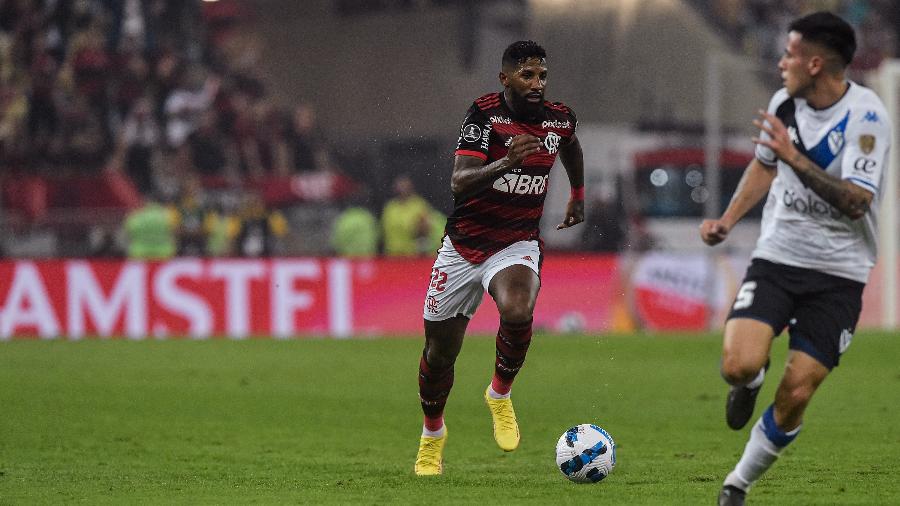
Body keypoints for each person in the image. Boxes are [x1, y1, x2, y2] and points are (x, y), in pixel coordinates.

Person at [699, 12, 892, 506]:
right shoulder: (785, 103)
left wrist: (796, 159)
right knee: (738, 366)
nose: (780, 62)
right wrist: (727, 218)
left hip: (839, 273)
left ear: (814, 62)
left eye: (788, 54)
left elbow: (856, 200)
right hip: (779, 257)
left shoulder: (867, 117)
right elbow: (764, 167)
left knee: (798, 393)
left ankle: (736, 484)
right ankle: (753, 377)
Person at [414, 40, 585, 476]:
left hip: (516, 241)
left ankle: (500, 393)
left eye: (542, 75)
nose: (537, 84)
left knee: (517, 309)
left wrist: (578, 195)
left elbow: (571, 147)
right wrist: (506, 162)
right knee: (439, 355)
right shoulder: (484, 116)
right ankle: (433, 435)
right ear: (505, 78)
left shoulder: (558, 118)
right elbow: (459, 182)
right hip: (464, 247)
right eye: (527, 75)